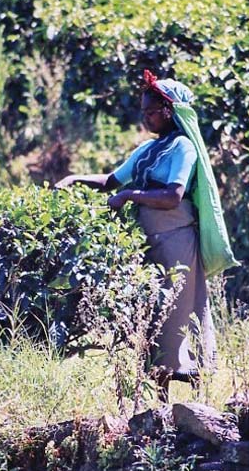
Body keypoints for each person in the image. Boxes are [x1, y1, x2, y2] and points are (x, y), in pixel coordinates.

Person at [55, 70, 238, 401]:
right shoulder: (147, 149)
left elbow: (172, 195)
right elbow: (111, 180)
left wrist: (129, 196)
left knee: (181, 314)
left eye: (151, 111)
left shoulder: (183, 147)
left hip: (177, 243)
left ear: (170, 111)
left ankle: (198, 404)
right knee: (154, 319)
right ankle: (162, 406)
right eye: (143, 112)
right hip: (149, 245)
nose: (146, 118)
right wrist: (74, 178)